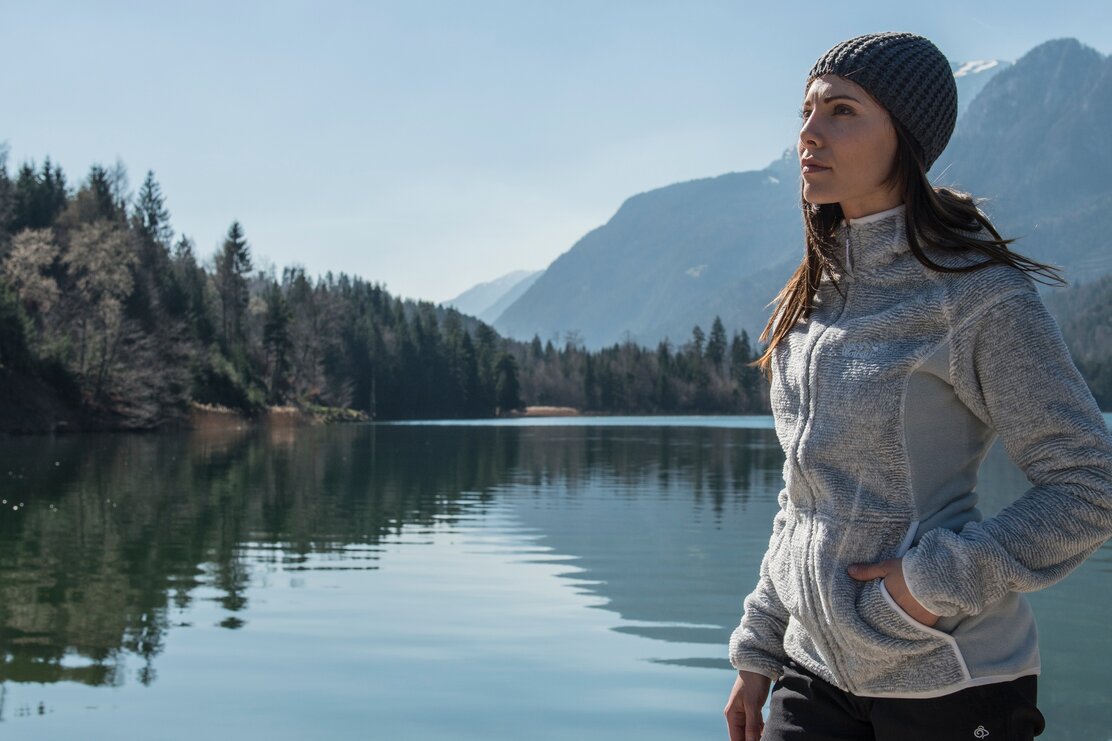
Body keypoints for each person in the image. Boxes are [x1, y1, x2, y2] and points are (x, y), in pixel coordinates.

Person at [723, 31, 1112, 741]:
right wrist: (759, 644)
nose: (808, 132)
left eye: (841, 111)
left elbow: (1090, 484)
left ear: (905, 136)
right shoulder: (806, 305)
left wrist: (926, 587)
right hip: (812, 674)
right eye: (807, 110)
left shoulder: (978, 296)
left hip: (949, 677)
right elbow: (803, 498)